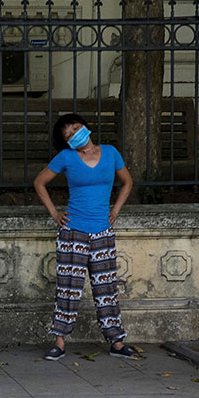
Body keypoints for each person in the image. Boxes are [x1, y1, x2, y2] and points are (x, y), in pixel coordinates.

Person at [32, 113, 136, 361]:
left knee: (106, 287)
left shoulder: (111, 153)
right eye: (68, 134)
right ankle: (59, 342)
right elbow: (39, 182)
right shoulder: (66, 157)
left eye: (76, 127)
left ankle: (117, 342)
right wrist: (54, 213)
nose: (74, 133)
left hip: (102, 231)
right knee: (68, 288)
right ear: (66, 142)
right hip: (73, 232)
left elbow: (127, 182)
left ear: (86, 127)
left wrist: (115, 210)